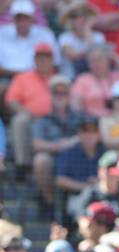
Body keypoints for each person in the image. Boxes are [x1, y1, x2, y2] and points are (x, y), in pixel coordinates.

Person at [32, 74, 84, 208]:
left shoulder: (80, 116)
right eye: (56, 92)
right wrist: (57, 146)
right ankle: (50, 203)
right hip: (54, 159)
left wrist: (73, 141)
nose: (60, 96)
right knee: (41, 160)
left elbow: (90, 134)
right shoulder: (43, 119)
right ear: (51, 95)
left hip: (76, 159)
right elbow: (36, 144)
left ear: (69, 95)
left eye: (64, 92)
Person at [6, 42, 56, 174]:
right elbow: (12, 101)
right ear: (34, 60)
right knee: (20, 120)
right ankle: (23, 165)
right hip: (32, 118)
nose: (43, 61)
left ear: (52, 60)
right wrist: (27, 113)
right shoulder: (23, 78)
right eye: (40, 57)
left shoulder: (59, 78)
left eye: (47, 57)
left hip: (55, 119)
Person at [70, 43, 119, 118]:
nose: (95, 64)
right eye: (91, 61)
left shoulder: (118, 76)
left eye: (99, 59)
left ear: (108, 60)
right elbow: (76, 104)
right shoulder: (83, 79)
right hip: (94, 121)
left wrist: (117, 59)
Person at [0, 0, 58, 78]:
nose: (22, 22)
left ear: (32, 19)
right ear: (13, 19)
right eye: (19, 18)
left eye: (26, 18)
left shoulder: (45, 34)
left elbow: (55, 61)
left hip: (38, 76)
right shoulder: (2, 33)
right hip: (6, 77)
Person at [56, 115, 104, 203]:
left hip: (102, 196)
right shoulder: (69, 153)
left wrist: (100, 181)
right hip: (77, 197)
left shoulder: (105, 154)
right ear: (79, 134)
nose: (89, 135)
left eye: (93, 131)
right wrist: (85, 186)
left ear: (99, 134)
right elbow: (60, 180)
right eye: (85, 131)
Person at [58, 0, 105, 79]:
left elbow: (98, 58)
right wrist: (91, 52)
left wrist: (87, 29)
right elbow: (73, 56)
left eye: (84, 15)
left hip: (95, 78)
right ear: (71, 20)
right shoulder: (65, 37)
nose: (81, 19)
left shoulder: (98, 36)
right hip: (72, 79)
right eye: (75, 16)